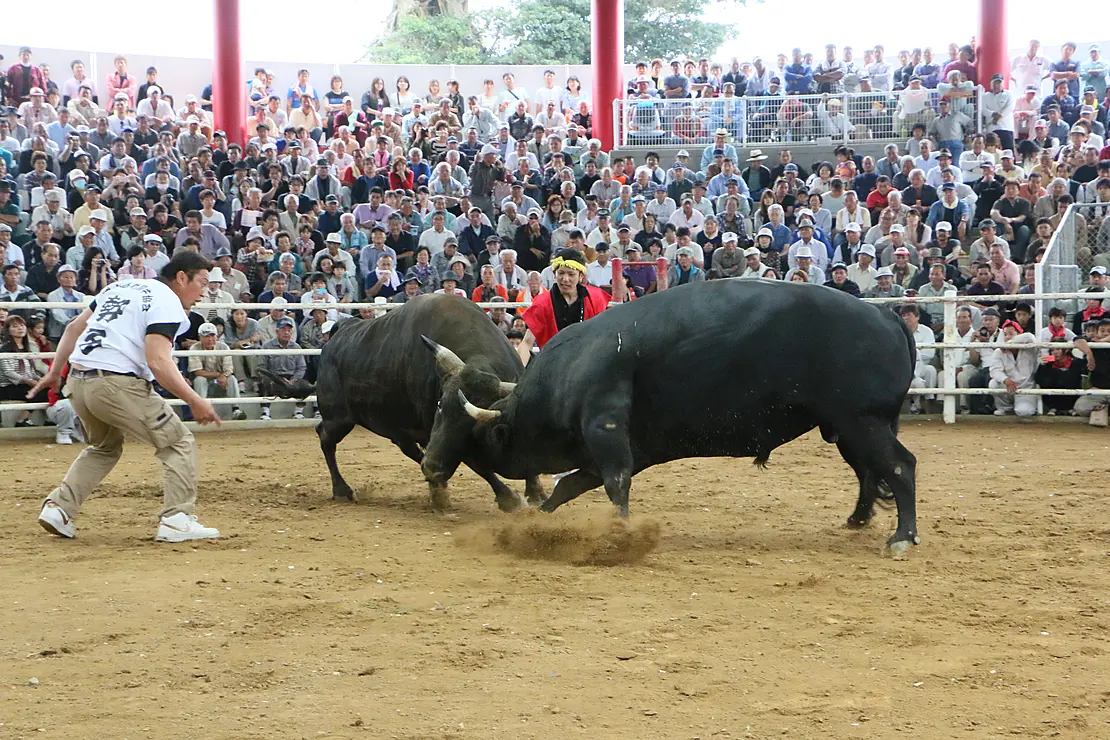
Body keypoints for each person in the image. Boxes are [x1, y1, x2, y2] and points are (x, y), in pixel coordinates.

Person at [30, 251, 222, 542]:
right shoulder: (167, 301)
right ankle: (177, 519)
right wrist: (195, 400)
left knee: (104, 447)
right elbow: (158, 361)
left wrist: (56, 372)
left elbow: (73, 329)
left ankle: (59, 508)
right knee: (178, 442)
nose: (203, 293)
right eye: (202, 283)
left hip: (79, 381)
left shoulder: (119, 286)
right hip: (117, 382)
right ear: (182, 278)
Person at [517, 248, 609, 365]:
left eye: (571, 274)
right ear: (555, 274)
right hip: (553, 364)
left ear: (581, 276)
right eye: (561, 273)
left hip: (588, 363)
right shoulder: (542, 303)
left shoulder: (596, 298)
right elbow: (527, 342)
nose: (565, 279)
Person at [188, 322, 247, 421]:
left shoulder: (223, 347)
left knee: (232, 378)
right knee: (200, 379)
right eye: (206, 336)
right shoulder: (194, 348)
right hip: (206, 383)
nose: (210, 339)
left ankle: (236, 409)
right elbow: (197, 372)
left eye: (212, 335)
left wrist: (224, 376)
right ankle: (202, 411)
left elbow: (229, 369)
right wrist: (220, 375)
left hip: (221, 383)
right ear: (200, 337)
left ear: (217, 336)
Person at [989, 319, 1039, 416]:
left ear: (1019, 334)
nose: (1007, 337)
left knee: (1024, 412)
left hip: (1026, 388)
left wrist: (1008, 344)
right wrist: (1005, 380)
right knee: (993, 383)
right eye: (1005, 334)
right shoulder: (999, 352)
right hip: (1009, 387)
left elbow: (1030, 337)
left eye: (1011, 334)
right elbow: (994, 370)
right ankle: (1005, 408)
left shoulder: (1029, 348)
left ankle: (1021, 408)